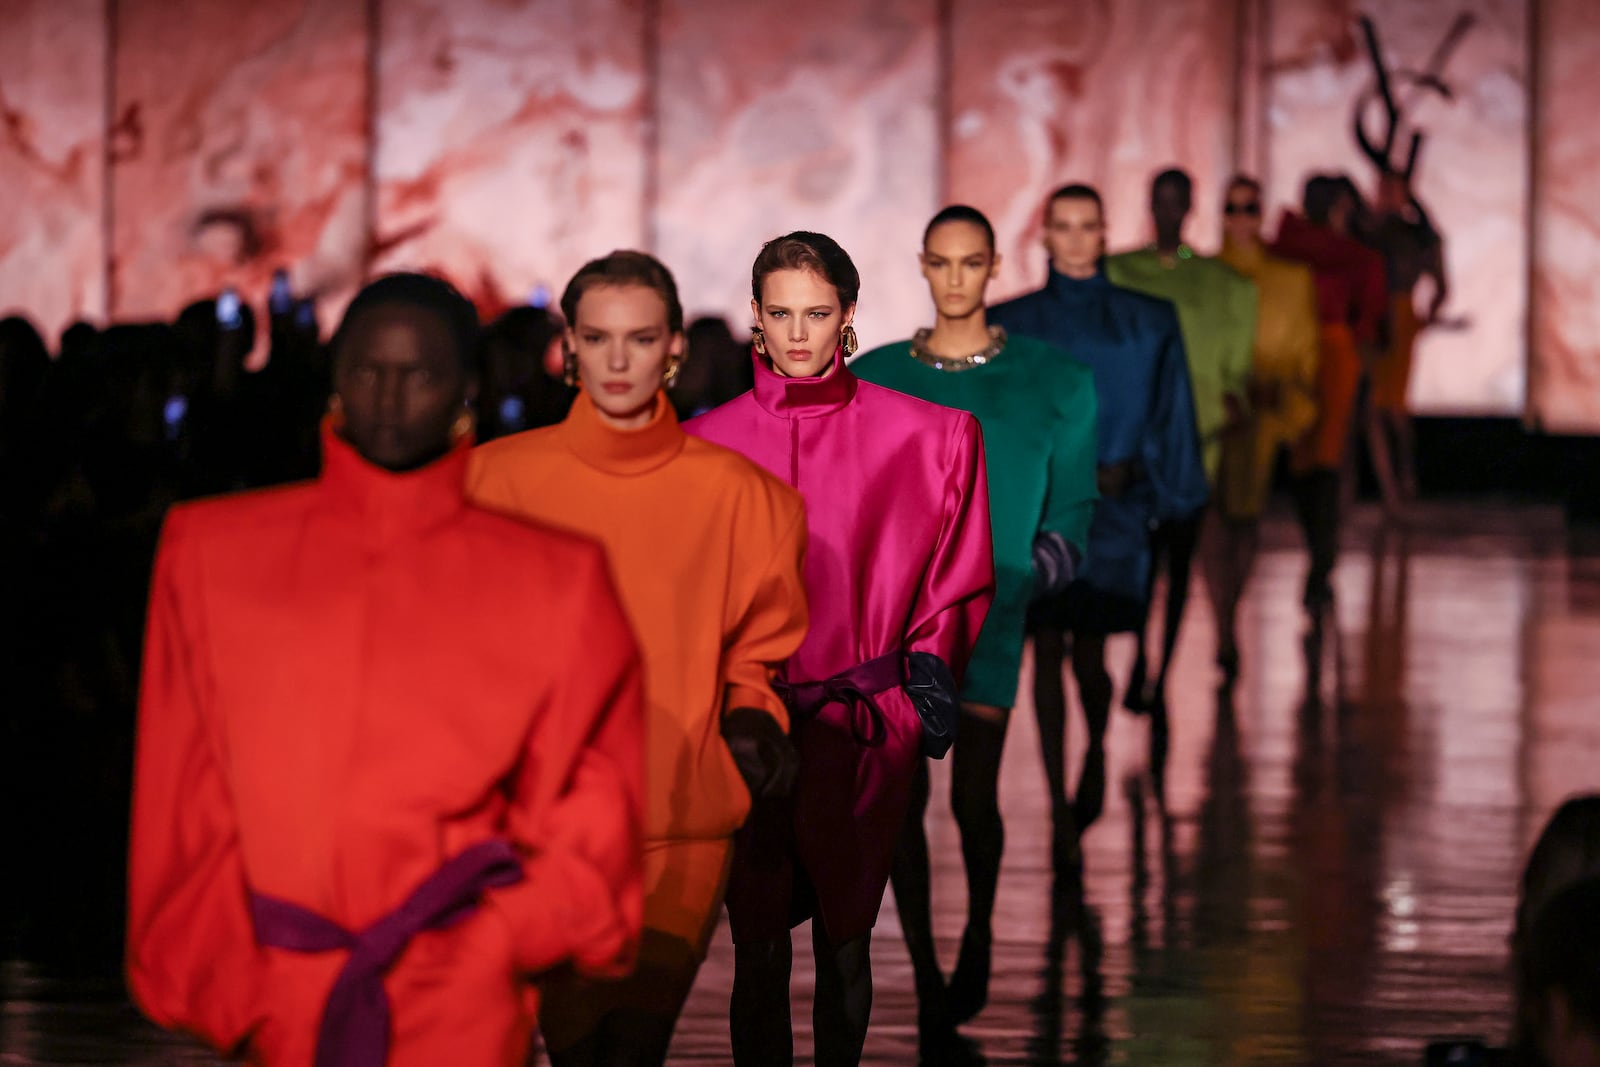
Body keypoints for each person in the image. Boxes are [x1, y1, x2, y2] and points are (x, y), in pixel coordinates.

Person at [126, 273, 646, 1067]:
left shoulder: (554, 576)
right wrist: (236, 988)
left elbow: (596, 797)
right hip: (285, 985)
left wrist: (504, 937)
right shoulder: (211, 554)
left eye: (420, 373)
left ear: (466, 386)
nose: (389, 396)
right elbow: (183, 790)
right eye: (368, 370)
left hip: (460, 993)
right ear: (334, 374)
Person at [468, 251, 809, 1065]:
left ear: (675, 348)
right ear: (570, 348)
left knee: (634, 1043)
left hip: (681, 810)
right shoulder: (489, 484)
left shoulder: (748, 498)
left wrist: (753, 719)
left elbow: (756, 653)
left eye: (641, 337)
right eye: (598, 337)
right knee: (581, 1045)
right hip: (538, 818)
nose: (619, 360)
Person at [687, 231, 994, 1067]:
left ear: (848, 315)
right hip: (748, 724)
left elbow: (955, 570)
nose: (796, 334)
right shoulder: (700, 446)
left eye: (816, 313)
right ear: (754, 314)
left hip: (862, 726)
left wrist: (931, 666)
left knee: (846, 939)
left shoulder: (929, 437)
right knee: (755, 945)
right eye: (780, 313)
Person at [852, 204, 1098, 1036]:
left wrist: (1030, 575)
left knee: (976, 794)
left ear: (994, 266)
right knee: (905, 798)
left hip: (993, 608)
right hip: (899, 615)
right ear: (923, 266)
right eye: (942, 263)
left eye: (971, 263)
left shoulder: (1056, 381)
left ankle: (980, 934)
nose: (956, 279)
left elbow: (1073, 506)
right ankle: (924, 968)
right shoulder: (879, 379)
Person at [990, 183, 1209, 841]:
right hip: (1043, 507)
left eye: (1088, 224)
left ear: (1104, 232)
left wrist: (1168, 494)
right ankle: (1060, 798)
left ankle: (1091, 755)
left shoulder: (1147, 320)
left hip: (1112, 509)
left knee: (1087, 655)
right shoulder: (1013, 324)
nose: (1077, 236)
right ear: (1047, 235)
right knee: (1048, 648)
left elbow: (1171, 413)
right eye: (1064, 225)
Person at [1107, 168, 1256, 713]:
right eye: (1161, 200)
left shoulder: (1219, 284)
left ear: (1189, 206)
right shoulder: (1122, 272)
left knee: (1179, 555)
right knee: (1144, 563)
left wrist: (1233, 391)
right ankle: (1144, 660)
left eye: (1178, 201)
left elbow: (1235, 360)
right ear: (1151, 204)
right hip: (1137, 437)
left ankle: (1159, 667)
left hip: (1195, 438)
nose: (1169, 210)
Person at [1212, 175, 1321, 680]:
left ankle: (1228, 617)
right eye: (1232, 208)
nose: (1240, 217)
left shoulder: (1290, 279)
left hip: (1259, 413)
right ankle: (1224, 625)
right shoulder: (1203, 275)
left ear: (1261, 213)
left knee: (1245, 520)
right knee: (1214, 519)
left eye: (1249, 207)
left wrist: (1282, 391)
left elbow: (1304, 350)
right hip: (1210, 414)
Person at [1271, 174, 1387, 619]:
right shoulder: (1351, 255)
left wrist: (1178, 251)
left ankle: (1321, 557)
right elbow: (1371, 315)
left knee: (1314, 457)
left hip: (1311, 353)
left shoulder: (1290, 245)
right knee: (1322, 458)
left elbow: (1228, 261)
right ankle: (1322, 557)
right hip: (1324, 352)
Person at [1366, 169, 1447, 516]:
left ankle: (1403, 476)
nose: (1385, 195)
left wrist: (1427, 314)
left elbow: (1440, 282)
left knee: (1393, 407)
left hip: (1398, 317)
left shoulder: (1415, 234)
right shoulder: (1367, 230)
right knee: (1372, 408)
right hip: (1372, 317)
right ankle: (1390, 489)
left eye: (1393, 190)